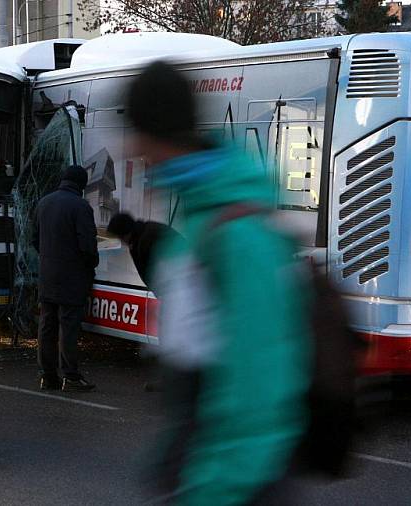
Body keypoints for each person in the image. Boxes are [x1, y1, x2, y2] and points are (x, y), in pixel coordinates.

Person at [128, 62, 312, 504]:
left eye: (136, 132)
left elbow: (257, 384)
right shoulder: (201, 212)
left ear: (154, 135)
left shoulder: (234, 230)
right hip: (207, 470)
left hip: (236, 485)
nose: (131, 147)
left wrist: (211, 490)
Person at [33, 165, 99, 392]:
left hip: (47, 275)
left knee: (47, 325)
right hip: (72, 277)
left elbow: (34, 239)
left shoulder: (44, 203)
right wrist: (91, 265)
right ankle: (70, 376)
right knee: (68, 327)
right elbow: (88, 246)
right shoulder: (81, 207)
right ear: (81, 184)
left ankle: (47, 376)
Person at [106, 212, 182, 292]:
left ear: (125, 234)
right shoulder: (139, 237)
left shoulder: (146, 240)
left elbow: (158, 275)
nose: (121, 242)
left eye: (119, 237)